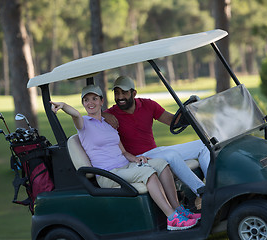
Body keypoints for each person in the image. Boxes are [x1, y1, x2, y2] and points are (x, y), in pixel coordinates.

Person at [50, 85, 200, 231]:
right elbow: (75, 114)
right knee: (147, 173)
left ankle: (178, 209)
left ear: (102, 101)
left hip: (125, 166)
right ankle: (172, 218)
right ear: (83, 103)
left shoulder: (110, 125)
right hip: (108, 174)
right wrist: (63, 105)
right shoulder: (83, 124)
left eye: (94, 99)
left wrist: (136, 159)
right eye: (86, 100)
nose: (90, 103)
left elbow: (123, 152)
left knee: (161, 164)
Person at [103, 76, 210, 205]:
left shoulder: (148, 104)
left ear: (134, 93)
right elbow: (88, 120)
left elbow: (172, 121)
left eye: (124, 93)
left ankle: (213, 186)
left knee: (203, 145)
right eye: (116, 93)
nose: (120, 97)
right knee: (171, 155)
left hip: (156, 151)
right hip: (137, 159)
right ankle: (203, 192)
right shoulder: (111, 114)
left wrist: (190, 111)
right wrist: (103, 114)